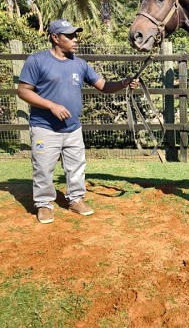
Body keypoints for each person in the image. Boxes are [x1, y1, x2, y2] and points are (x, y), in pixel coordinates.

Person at [17, 19, 139, 224]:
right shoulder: (37, 61)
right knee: (43, 167)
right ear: (55, 38)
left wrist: (124, 82)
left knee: (76, 166)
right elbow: (23, 91)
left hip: (73, 128)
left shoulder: (80, 64)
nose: (75, 39)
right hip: (45, 128)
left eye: (76, 35)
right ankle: (44, 204)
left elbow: (104, 86)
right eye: (70, 36)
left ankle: (75, 199)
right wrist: (51, 106)